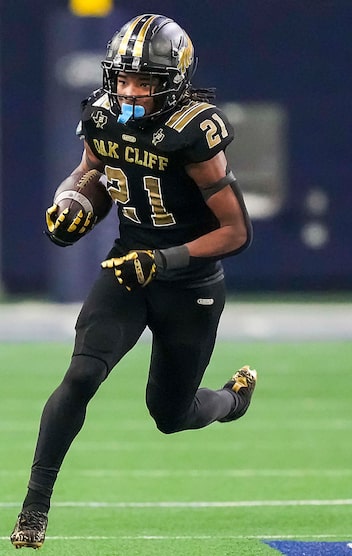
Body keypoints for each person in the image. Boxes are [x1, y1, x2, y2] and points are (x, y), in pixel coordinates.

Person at [10, 14, 256, 549]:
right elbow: (97, 173)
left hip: (190, 282)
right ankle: (33, 509)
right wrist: (75, 205)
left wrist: (163, 262)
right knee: (80, 376)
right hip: (128, 267)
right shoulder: (102, 116)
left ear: (172, 83)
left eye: (144, 82)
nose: (129, 91)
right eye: (122, 79)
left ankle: (233, 403)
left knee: (172, 415)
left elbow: (236, 232)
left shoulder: (194, 131)